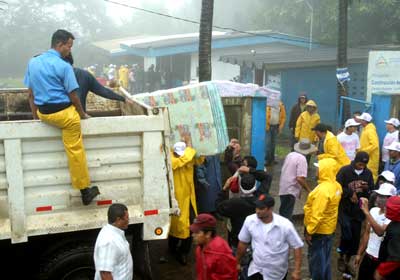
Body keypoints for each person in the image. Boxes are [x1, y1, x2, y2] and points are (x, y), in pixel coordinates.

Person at [23, 29, 99, 205]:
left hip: (44, 113)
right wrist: (82, 114)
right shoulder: (64, 66)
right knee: (75, 150)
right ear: (60, 44)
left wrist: (36, 118)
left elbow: (30, 94)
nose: (69, 50)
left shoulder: (33, 62)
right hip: (64, 115)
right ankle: (85, 190)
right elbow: (74, 96)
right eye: (69, 46)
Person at [236, 194, 303, 280]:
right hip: (256, 269)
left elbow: (297, 246)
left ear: (270, 209)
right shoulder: (250, 221)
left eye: (261, 208)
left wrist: (297, 271)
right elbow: (243, 242)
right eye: (256, 208)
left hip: (276, 273)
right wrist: (237, 262)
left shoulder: (285, 225)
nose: (257, 211)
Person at [335, 151, 374, 277]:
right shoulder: (345, 170)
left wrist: (366, 189)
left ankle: (348, 260)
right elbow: (337, 187)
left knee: (356, 237)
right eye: (359, 164)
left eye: (364, 165)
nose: (361, 166)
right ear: (355, 161)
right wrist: (349, 193)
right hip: (345, 208)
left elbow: (371, 189)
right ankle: (341, 255)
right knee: (346, 232)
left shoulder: (368, 173)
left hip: (358, 211)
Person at [304, 158, 342, 280]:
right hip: (329, 229)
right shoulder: (336, 186)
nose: (316, 170)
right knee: (325, 260)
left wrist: (309, 231)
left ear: (325, 170)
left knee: (317, 263)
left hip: (319, 231)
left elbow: (317, 215)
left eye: (318, 168)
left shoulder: (322, 191)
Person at [168, 135, 204, 265]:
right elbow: (183, 159)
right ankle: (172, 249)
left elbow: (199, 160)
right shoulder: (171, 160)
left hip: (188, 199)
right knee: (175, 227)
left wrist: (201, 146)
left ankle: (183, 252)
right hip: (176, 200)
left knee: (190, 227)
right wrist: (189, 144)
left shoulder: (186, 158)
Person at [63, 53, 132, 112]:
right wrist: (123, 99)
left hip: (60, 119)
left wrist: (123, 99)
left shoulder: (55, 76)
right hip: (79, 118)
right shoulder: (84, 75)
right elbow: (103, 91)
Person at [355, 183, 396, 280]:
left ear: (390, 199)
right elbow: (367, 233)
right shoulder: (373, 210)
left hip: (380, 260)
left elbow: (380, 231)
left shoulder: (391, 218)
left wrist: (366, 213)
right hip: (368, 256)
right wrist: (359, 253)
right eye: (378, 195)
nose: (378, 198)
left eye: (383, 196)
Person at [190, 213, 238, 280]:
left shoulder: (221, 254)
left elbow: (229, 276)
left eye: (197, 232)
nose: (193, 235)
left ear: (208, 234)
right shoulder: (200, 247)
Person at [94, 203, 133, 280]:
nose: (128, 220)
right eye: (127, 217)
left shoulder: (114, 233)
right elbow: (105, 273)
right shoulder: (109, 241)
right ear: (118, 220)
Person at [278, 138, 313, 221]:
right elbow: (300, 178)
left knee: (283, 211)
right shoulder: (302, 159)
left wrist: (299, 191)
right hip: (291, 189)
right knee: (286, 215)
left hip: (283, 187)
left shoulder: (290, 155)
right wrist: (309, 190)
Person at [356, 112, 380, 182]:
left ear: (365, 121)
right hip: (367, 157)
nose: (360, 121)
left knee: (371, 175)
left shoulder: (370, 131)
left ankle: (371, 190)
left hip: (371, 158)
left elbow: (374, 145)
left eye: (361, 120)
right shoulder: (366, 129)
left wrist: (363, 152)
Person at [265, 101, 286, 166]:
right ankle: (267, 160)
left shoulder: (280, 105)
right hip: (268, 127)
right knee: (268, 144)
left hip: (276, 127)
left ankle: (272, 159)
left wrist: (280, 126)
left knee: (273, 144)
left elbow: (283, 117)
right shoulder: (267, 104)